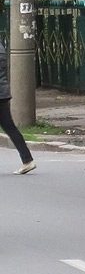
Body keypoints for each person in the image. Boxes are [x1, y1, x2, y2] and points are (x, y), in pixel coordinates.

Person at [0, 40, 34, 175]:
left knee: (9, 127)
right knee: (9, 127)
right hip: (2, 92)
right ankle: (27, 160)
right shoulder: (1, 48)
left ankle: (28, 160)